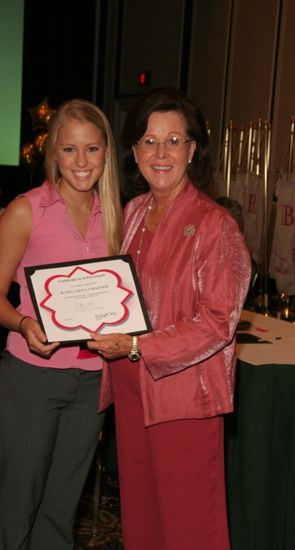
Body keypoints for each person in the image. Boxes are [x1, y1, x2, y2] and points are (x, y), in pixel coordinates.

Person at [87, 87, 252, 550]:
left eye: (173, 141)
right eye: (149, 141)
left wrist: (140, 346)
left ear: (192, 149)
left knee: (189, 525)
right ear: (134, 150)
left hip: (182, 394)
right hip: (129, 382)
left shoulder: (215, 224)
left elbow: (218, 322)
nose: (161, 153)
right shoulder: (133, 212)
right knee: (141, 513)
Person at [0, 98, 122, 550]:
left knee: (60, 515)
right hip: (30, 380)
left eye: (92, 149)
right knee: (16, 511)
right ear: (53, 153)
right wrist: (23, 324)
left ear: (106, 153)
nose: (81, 162)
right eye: (69, 150)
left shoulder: (118, 215)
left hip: (92, 383)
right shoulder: (26, 210)